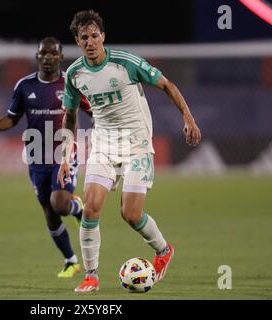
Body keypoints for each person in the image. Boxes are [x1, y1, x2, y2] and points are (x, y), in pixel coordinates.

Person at [58, 10, 202, 292]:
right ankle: (91, 276)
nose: (90, 42)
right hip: (104, 145)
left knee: (131, 214)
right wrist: (65, 155)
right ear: (77, 41)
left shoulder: (126, 63)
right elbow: (70, 116)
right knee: (91, 207)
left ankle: (163, 251)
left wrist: (188, 118)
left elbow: (167, 85)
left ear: (103, 36)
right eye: (84, 37)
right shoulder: (75, 73)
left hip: (137, 145)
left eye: (95, 36)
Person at [0, 37, 92, 278]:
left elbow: (93, 109)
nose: (48, 58)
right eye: (43, 53)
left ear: (60, 57)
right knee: (49, 212)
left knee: (60, 203)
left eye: (53, 54)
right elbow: (12, 118)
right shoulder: (24, 86)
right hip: (36, 156)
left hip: (63, 153)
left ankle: (77, 207)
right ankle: (71, 260)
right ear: (37, 57)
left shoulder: (71, 82)